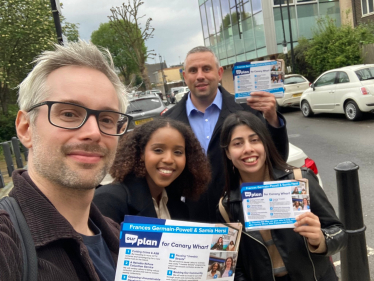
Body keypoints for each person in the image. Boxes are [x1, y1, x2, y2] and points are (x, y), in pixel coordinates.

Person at [0, 41, 130, 280]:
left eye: (108, 119)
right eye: (69, 114)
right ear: (26, 128)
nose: (94, 132)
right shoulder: (7, 239)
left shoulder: (119, 236)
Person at [163, 46, 289, 222]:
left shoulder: (248, 111)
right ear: (185, 77)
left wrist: (272, 119)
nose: (200, 76)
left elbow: (278, 159)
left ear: (220, 73)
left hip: (240, 215)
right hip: (191, 224)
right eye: (193, 70)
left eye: (206, 69)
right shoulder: (168, 122)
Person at [217, 111, 347, 281]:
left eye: (254, 140)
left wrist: (321, 239)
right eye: (238, 143)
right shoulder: (227, 205)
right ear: (228, 152)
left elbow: (340, 233)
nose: (248, 149)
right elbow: (234, 266)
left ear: (265, 143)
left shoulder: (300, 180)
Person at [93, 118, 211, 224]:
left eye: (178, 152)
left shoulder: (179, 207)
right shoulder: (109, 200)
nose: (169, 159)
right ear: (141, 153)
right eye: (158, 150)